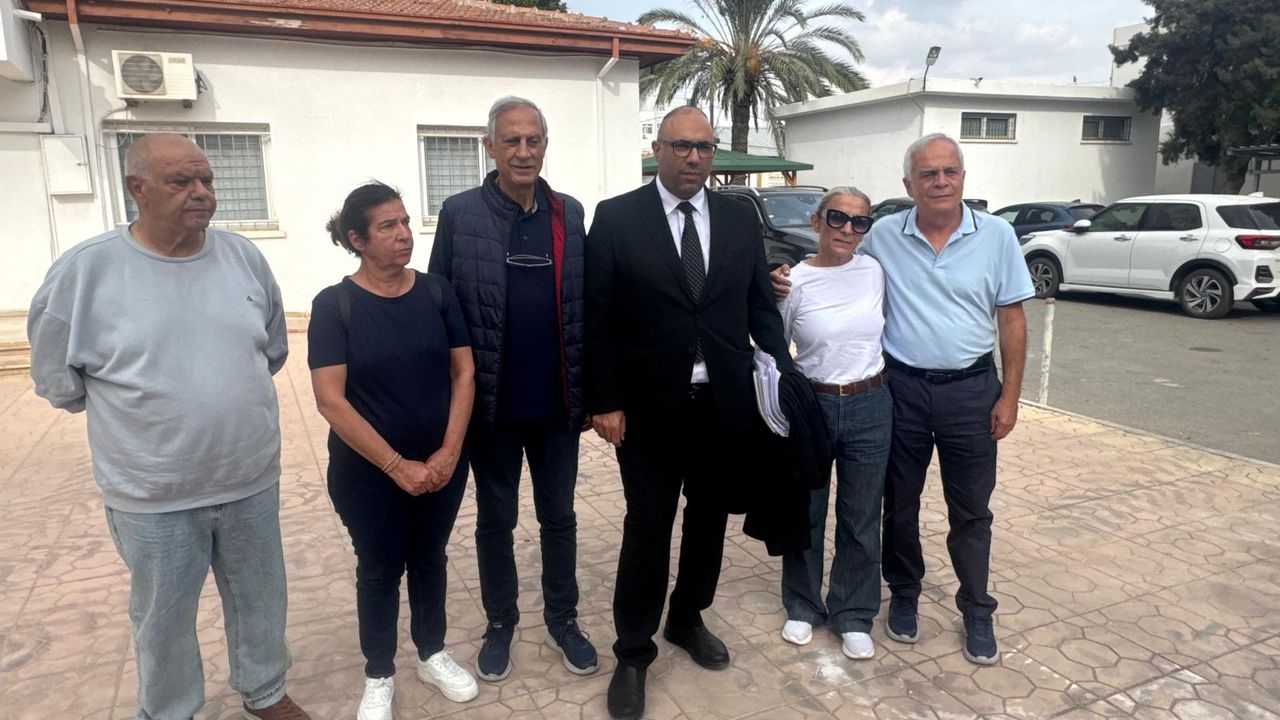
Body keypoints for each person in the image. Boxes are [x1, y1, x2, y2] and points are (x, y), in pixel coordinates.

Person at [27, 133, 309, 720]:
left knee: (261, 599)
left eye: (207, 179)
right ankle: (170, 710)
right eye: (181, 181)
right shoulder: (87, 271)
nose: (201, 192)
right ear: (137, 189)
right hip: (154, 494)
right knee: (164, 618)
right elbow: (57, 379)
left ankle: (264, 690)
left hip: (249, 479)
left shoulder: (242, 258)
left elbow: (272, 348)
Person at [773, 133, 1034, 665]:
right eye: (928, 173)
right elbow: (823, 271)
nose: (940, 181)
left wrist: (1010, 396)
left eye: (950, 171)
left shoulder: (996, 236)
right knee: (890, 507)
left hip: (963, 391)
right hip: (900, 391)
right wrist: (778, 278)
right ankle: (897, 595)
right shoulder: (883, 237)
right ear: (909, 184)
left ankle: (972, 610)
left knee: (965, 510)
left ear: (963, 177)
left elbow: (1012, 319)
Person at [585, 106, 795, 720]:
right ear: (657, 150)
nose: (693, 157)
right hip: (648, 409)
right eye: (681, 146)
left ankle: (686, 617)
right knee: (648, 527)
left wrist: (784, 376)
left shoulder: (736, 217)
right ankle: (633, 652)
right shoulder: (617, 217)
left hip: (724, 403)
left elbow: (759, 306)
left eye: (703, 147)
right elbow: (596, 318)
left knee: (708, 521)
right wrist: (604, 401)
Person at [427, 96, 597, 682]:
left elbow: (587, 304)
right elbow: (439, 306)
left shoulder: (568, 213)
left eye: (534, 140)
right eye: (512, 140)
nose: (524, 151)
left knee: (560, 520)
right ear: (490, 147)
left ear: (545, 145)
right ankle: (500, 623)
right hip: (491, 408)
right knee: (496, 522)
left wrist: (593, 394)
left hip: (557, 406)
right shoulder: (460, 214)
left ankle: (563, 620)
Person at [309, 182, 478, 720]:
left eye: (405, 222)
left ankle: (432, 654)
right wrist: (395, 465)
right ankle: (379, 673)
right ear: (357, 239)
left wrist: (449, 452)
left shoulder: (437, 292)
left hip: (441, 465)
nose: (404, 234)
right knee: (380, 569)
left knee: (430, 559)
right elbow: (330, 400)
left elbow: (464, 372)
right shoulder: (334, 305)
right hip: (367, 474)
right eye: (388, 226)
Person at [773, 187, 892, 661]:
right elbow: (776, 352)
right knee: (806, 511)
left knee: (862, 516)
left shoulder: (875, 271)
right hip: (814, 406)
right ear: (817, 221)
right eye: (838, 218)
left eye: (860, 222)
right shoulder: (793, 282)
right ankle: (802, 605)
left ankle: (853, 613)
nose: (848, 229)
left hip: (871, 402)